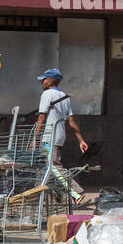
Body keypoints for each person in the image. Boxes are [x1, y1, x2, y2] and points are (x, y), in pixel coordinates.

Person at [32, 68, 88, 200]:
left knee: (54, 167)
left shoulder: (47, 94)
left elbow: (41, 118)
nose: (42, 83)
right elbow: (72, 122)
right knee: (43, 168)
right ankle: (40, 197)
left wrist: (34, 138)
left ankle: (76, 192)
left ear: (50, 81)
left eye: (44, 80)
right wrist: (80, 140)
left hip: (49, 136)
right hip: (59, 136)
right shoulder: (64, 96)